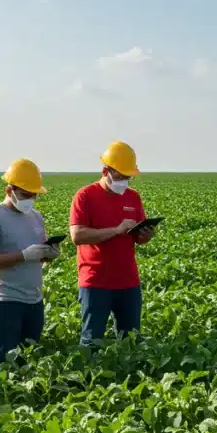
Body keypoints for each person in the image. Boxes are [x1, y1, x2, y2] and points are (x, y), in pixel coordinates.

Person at [0, 158, 61, 378]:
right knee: (2, 359)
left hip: (34, 299)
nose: (31, 199)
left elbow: (37, 255)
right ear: (9, 190)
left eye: (34, 194)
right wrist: (22, 256)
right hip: (5, 300)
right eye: (25, 194)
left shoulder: (36, 217)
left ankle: (21, 402)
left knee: (28, 358)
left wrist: (47, 254)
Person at [69, 141, 157, 346]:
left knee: (131, 339)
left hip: (128, 280)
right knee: (91, 340)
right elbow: (78, 236)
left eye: (128, 176)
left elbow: (137, 238)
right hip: (96, 281)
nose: (125, 180)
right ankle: (89, 376)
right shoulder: (85, 196)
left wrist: (145, 235)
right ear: (105, 170)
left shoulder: (133, 197)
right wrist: (116, 230)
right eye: (120, 175)